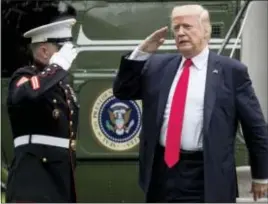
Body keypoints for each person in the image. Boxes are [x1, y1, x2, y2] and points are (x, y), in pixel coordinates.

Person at [113, 4, 268, 203]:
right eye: (176, 28)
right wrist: (141, 53)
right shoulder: (158, 66)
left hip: (205, 174)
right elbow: (122, 91)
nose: (181, 33)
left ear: (206, 30)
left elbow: (255, 127)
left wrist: (261, 175)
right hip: (162, 173)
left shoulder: (231, 72)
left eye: (187, 26)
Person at [6, 2, 79, 203]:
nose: (68, 54)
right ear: (44, 51)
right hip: (34, 182)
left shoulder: (61, 85)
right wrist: (56, 68)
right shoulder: (24, 76)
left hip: (59, 181)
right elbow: (26, 95)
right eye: (62, 48)